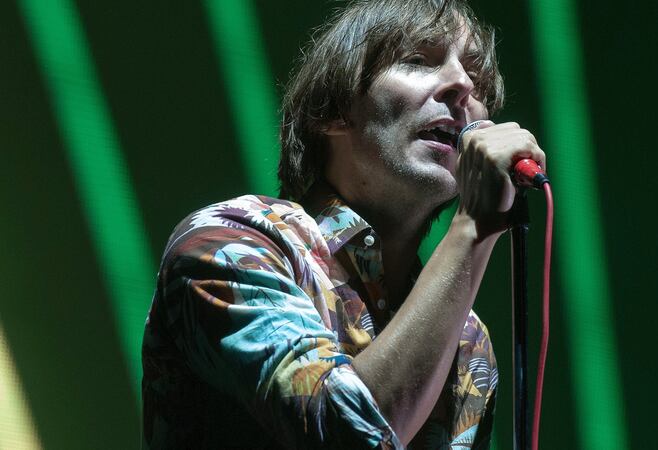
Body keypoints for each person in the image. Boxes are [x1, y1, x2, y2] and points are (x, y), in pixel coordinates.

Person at [142, 0, 546, 448]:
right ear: (333, 110)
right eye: (416, 60)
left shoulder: (468, 344)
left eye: (476, 77)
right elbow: (345, 436)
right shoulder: (229, 245)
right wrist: (472, 229)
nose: (462, 85)